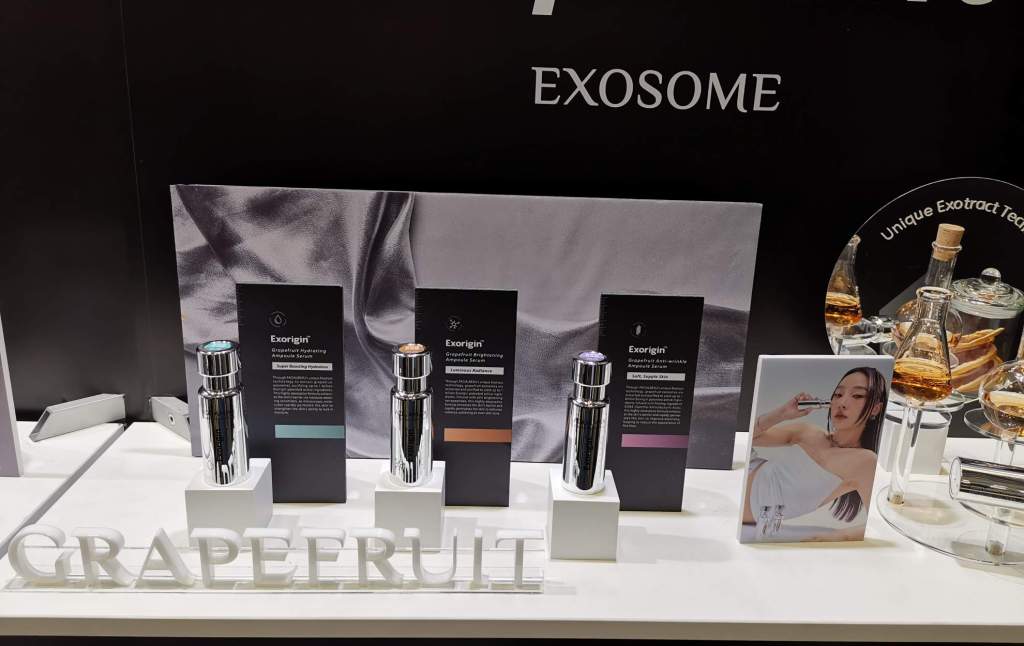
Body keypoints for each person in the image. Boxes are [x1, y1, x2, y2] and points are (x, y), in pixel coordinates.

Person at [742, 367, 888, 540]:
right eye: (838, 394)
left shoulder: (864, 461)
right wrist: (782, 414)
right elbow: (750, 439)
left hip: (745, 511)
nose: (842, 403)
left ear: (875, 409)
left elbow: (880, 524)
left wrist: (836, 537)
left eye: (857, 396)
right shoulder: (809, 433)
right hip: (742, 473)